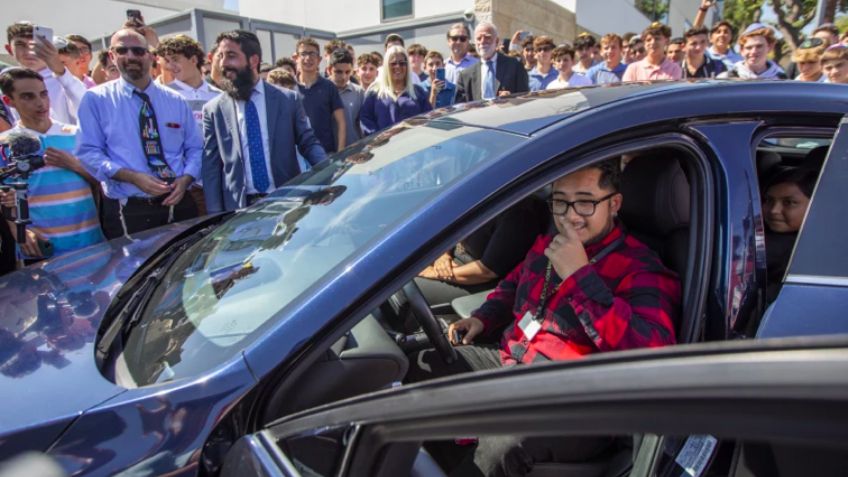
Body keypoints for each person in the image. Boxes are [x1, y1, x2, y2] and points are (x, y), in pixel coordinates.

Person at [407, 161, 680, 477]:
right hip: (514, 362)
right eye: (561, 201)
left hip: (577, 398)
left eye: (586, 201)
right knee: (423, 368)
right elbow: (513, 283)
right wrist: (484, 318)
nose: (570, 214)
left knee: (504, 444)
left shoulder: (641, 267)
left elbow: (651, 351)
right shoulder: (551, 243)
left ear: (614, 204)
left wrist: (580, 276)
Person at [76, 28, 201, 239]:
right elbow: (88, 152)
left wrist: (186, 179)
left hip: (178, 202)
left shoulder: (175, 100)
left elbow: (195, 148)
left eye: (138, 50)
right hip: (129, 208)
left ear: (150, 56)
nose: (131, 56)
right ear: (112, 56)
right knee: (136, 270)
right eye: (122, 50)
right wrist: (132, 177)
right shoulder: (96, 99)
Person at [202, 30, 327, 213]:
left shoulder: (287, 100)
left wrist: (330, 174)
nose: (223, 63)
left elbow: (308, 143)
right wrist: (215, 216)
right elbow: (211, 167)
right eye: (220, 56)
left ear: (253, 60)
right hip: (238, 211)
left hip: (286, 203)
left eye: (231, 56)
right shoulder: (213, 109)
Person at [0, 68, 103, 261]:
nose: (40, 103)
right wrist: (19, 232)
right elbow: (4, 198)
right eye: (28, 97)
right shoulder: (4, 143)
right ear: (9, 101)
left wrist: (75, 166)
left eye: (43, 94)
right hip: (41, 252)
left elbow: (105, 184)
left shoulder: (77, 134)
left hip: (91, 245)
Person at [416, 198, 546, 307]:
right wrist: (444, 255)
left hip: (478, 283)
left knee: (411, 289)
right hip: (455, 264)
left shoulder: (520, 214)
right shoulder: (482, 198)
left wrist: (435, 273)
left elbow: (486, 272)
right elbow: (454, 230)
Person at [158, 35, 222, 216]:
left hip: (215, 179)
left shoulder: (219, 95)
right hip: (182, 185)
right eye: (167, 61)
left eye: (176, 60)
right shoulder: (163, 95)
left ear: (194, 59)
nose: (171, 66)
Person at [5, 21, 87, 125]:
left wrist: (61, 73)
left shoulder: (64, 79)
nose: (29, 51)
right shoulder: (6, 83)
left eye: (35, 44)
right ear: (9, 49)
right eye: (21, 45)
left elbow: (86, 106)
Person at [763, 167, 816, 303]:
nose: (774, 210)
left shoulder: (773, 250)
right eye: (769, 200)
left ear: (814, 205)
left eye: (789, 203)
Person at [359, 45, 431, 136]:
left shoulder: (418, 92)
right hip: (382, 147)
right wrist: (379, 137)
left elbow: (428, 119)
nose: (397, 66)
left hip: (413, 145)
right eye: (393, 63)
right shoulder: (374, 93)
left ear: (407, 66)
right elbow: (366, 120)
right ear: (386, 66)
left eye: (402, 63)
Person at [295, 37, 346, 153]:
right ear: (296, 58)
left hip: (325, 154)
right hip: (299, 156)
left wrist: (340, 152)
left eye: (312, 54)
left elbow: (341, 122)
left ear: (319, 59)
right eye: (303, 54)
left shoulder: (329, 87)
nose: (308, 58)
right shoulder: (289, 88)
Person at [456, 22, 529, 102]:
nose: (482, 41)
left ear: (497, 41)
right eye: (479, 38)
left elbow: (525, 99)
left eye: (487, 37)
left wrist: (512, 98)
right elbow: (460, 107)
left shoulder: (514, 66)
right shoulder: (465, 75)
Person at [721, 23, 786, 80]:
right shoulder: (726, 79)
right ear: (742, 50)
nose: (754, 51)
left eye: (759, 46)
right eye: (749, 48)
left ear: (769, 47)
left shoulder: (781, 80)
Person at [329, 48, 365, 144]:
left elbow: (363, 125)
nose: (344, 77)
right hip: (328, 154)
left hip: (354, 151)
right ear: (329, 70)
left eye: (347, 72)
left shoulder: (359, 92)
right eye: (339, 72)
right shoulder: (322, 92)